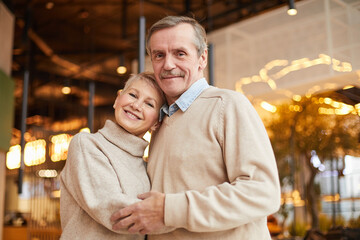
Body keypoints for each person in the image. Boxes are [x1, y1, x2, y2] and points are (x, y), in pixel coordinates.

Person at [111, 16, 281, 239]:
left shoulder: (227, 105)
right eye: (159, 55)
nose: (168, 65)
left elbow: (263, 192)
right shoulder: (160, 122)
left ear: (202, 58)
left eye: (180, 53)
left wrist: (169, 210)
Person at [60, 72, 165, 240]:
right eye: (132, 95)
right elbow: (113, 210)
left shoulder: (148, 167)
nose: (136, 105)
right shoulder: (86, 145)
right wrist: (177, 212)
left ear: (157, 122)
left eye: (149, 104)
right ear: (118, 99)